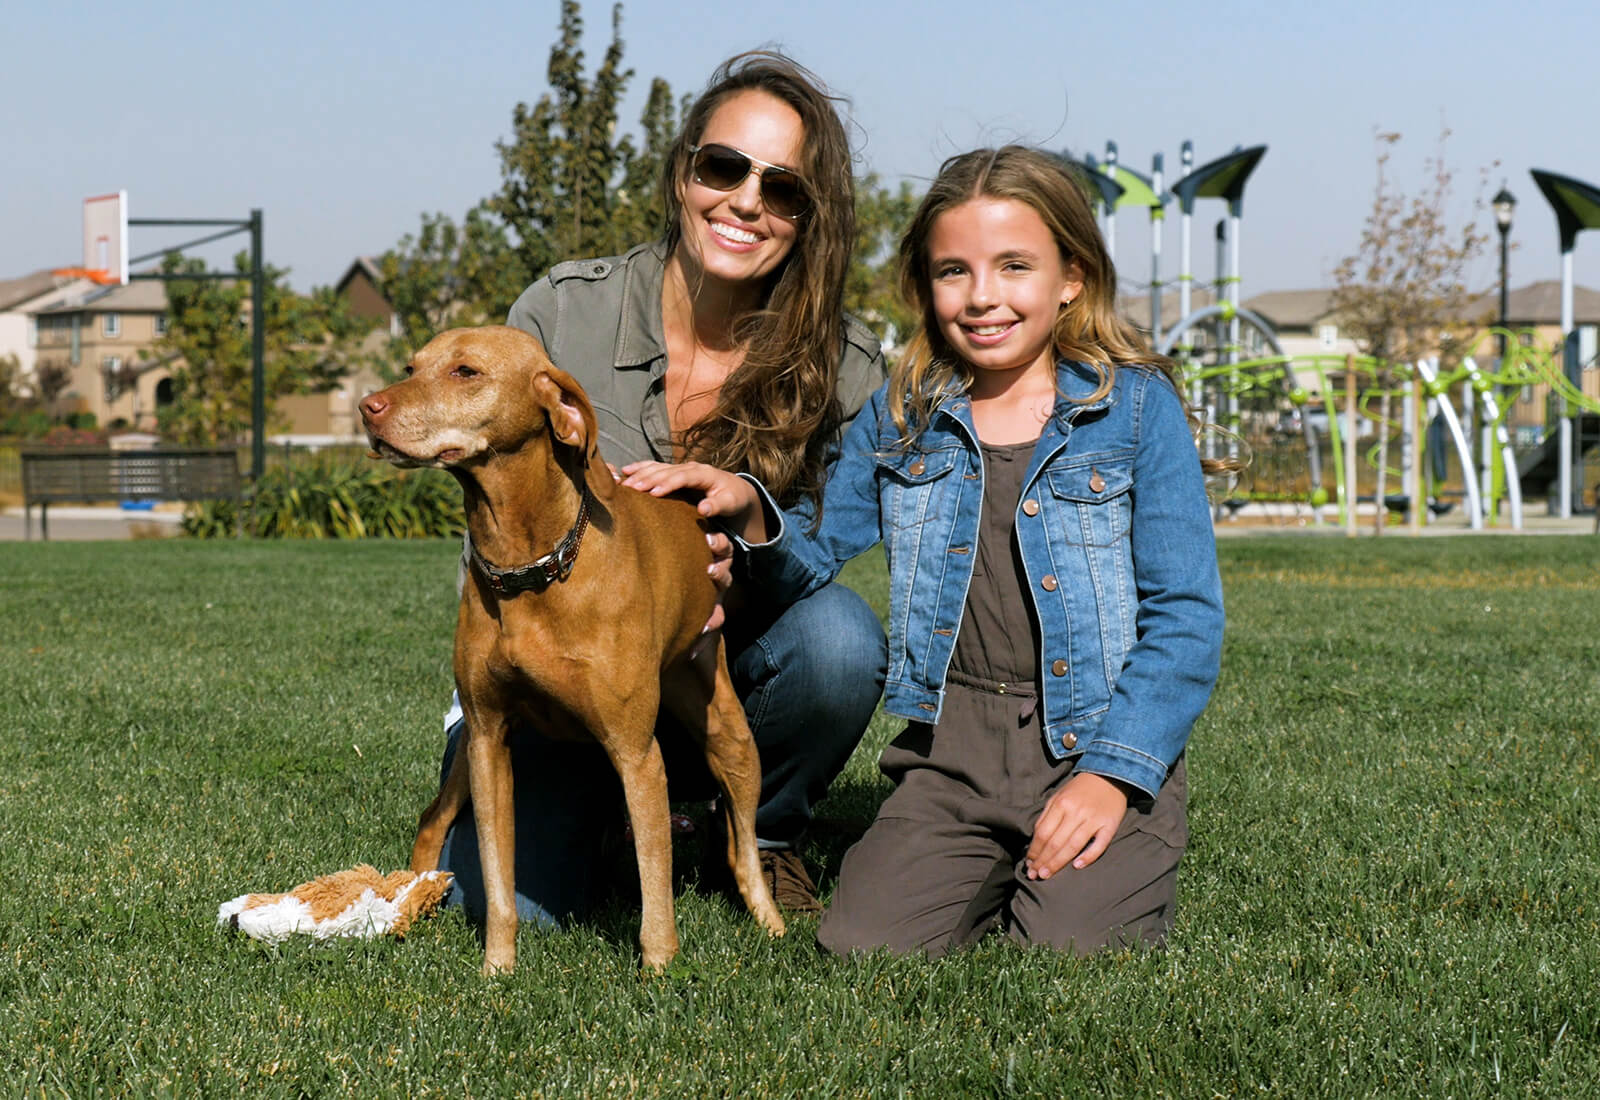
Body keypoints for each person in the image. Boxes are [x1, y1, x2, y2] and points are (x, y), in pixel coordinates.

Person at [625, 145, 1231, 957]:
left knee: (1068, 949)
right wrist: (752, 513)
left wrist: (1113, 774)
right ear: (925, 285)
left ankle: (1093, 852)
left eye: (1015, 266)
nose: (984, 297)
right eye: (954, 271)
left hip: (1093, 739)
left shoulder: (1133, 410)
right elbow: (814, 555)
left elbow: (1186, 616)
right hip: (952, 752)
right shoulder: (902, 413)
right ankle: (973, 853)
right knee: (862, 943)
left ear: (1071, 276)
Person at [434, 51, 889, 923]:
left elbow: (843, 530)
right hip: (561, 670)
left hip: (728, 661)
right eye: (724, 167)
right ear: (684, 172)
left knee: (840, 643)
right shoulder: (562, 314)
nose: (746, 201)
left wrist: (753, 529)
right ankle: (613, 818)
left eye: (784, 188)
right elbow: (493, 498)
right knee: (496, 908)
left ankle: (761, 836)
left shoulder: (847, 363)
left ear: (810, 216)